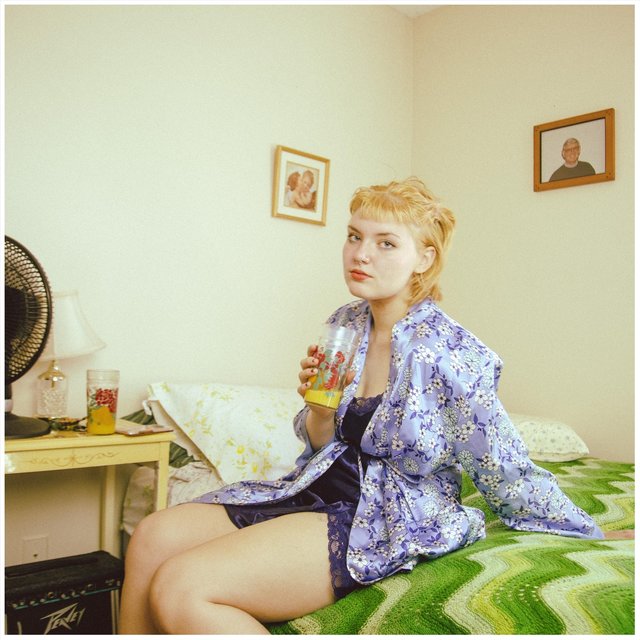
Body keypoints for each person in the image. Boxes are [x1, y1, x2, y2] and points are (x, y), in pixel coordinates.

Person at [119, 177, 626, 635]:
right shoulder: (345, 323)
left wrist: (584, 528)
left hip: (389, 511)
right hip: (318, 484)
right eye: (354, 236)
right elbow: (321, 442)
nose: (361, 254)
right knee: (152, 536)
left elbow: (501, 462)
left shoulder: (450, 351)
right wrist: (319, 409)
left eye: (386, 243)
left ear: (423, 258)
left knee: (183, 587)